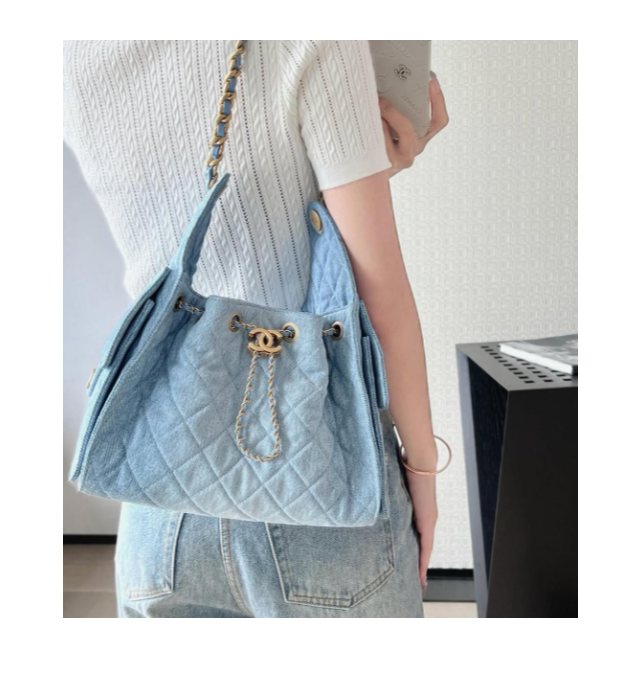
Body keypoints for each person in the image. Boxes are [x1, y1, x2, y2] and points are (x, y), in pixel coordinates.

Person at [63, 40, 449, 618]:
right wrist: (421, 470)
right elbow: (380, 294)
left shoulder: (68, 47)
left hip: (158, 494)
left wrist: (364, 158)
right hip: (318, 475)